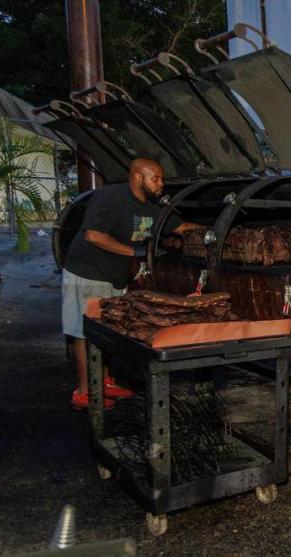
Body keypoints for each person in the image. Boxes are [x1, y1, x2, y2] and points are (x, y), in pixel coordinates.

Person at [61, 158, 201, 410]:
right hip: (87, 273)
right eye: (155, 178)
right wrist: (134, 253)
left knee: (110, 328)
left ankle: (104, 381)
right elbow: (93, 235)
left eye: (161, 179)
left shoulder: (153, 208)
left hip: (114, 275)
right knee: (84, 332)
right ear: (138, 178)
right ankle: (84, 391)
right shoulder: (109, 198)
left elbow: (182, 227)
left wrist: (218, 233)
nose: (161, 184)